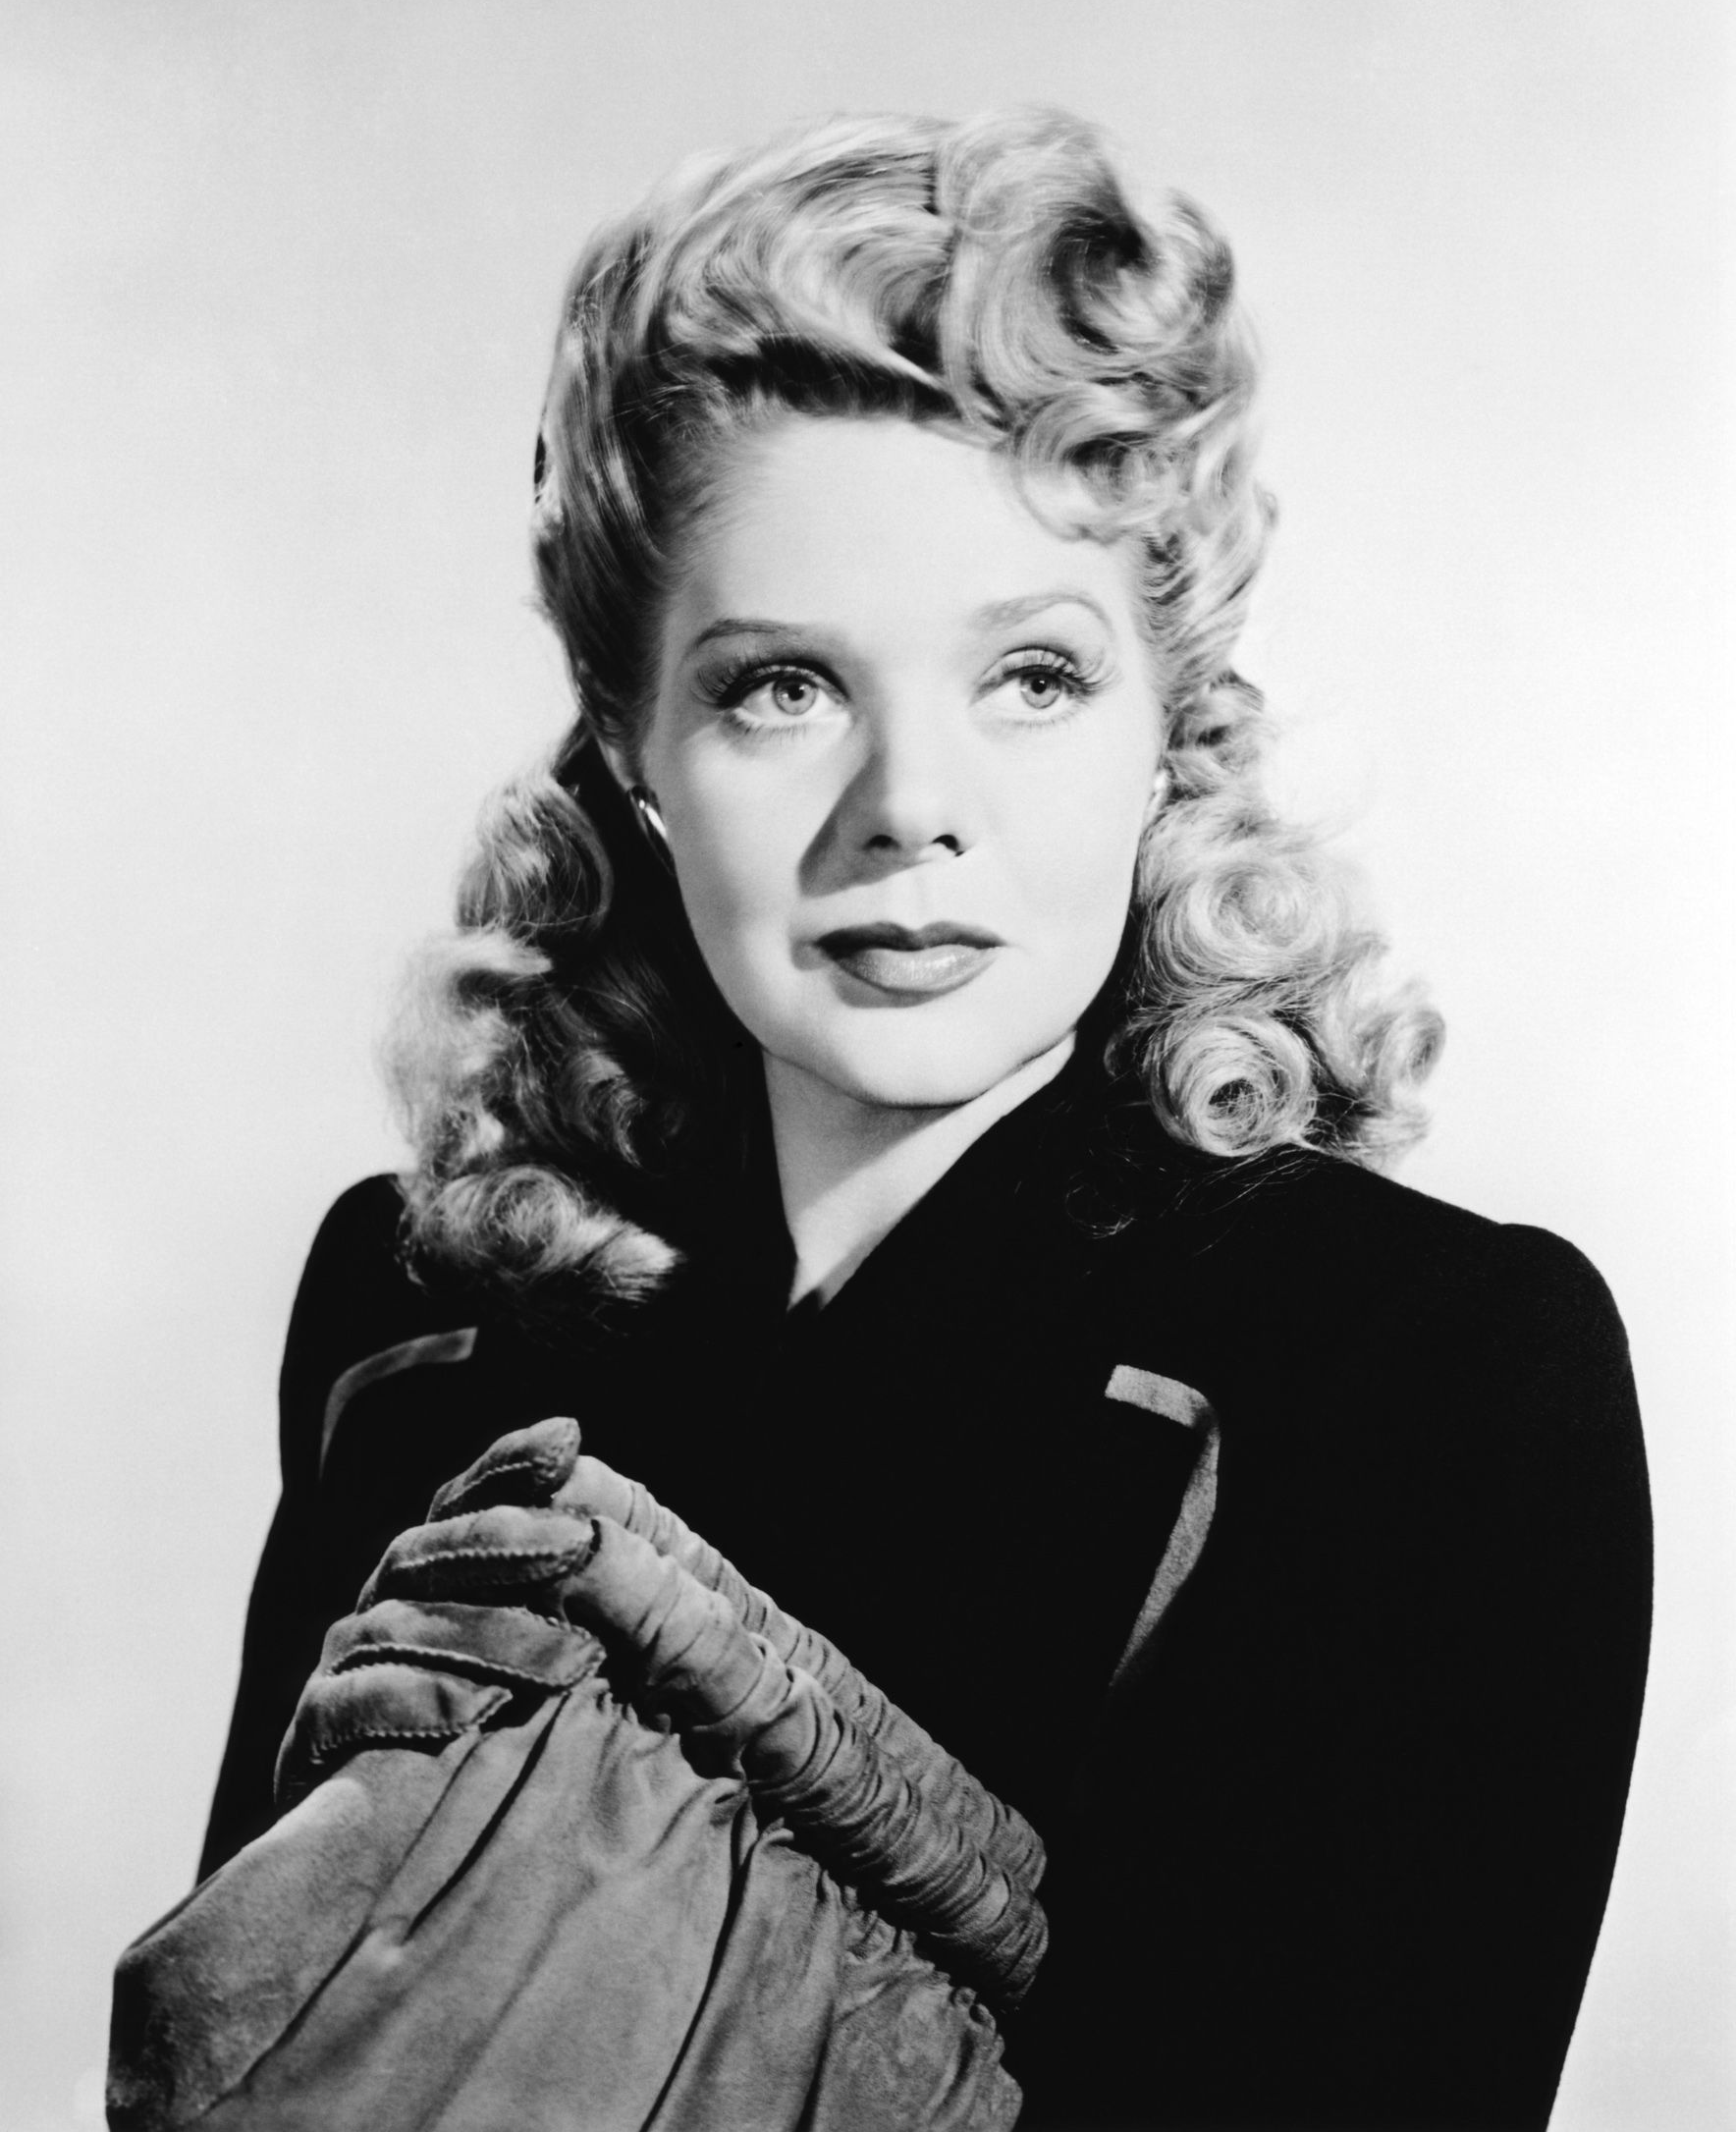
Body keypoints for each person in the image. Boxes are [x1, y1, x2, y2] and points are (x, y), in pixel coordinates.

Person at [196, 108, 1651, 2130]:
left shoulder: (1427, 1370)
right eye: (781, 685)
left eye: (1031, 676)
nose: (909, 809)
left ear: (1169, 723)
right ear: (630, 738)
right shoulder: (410, 1320)